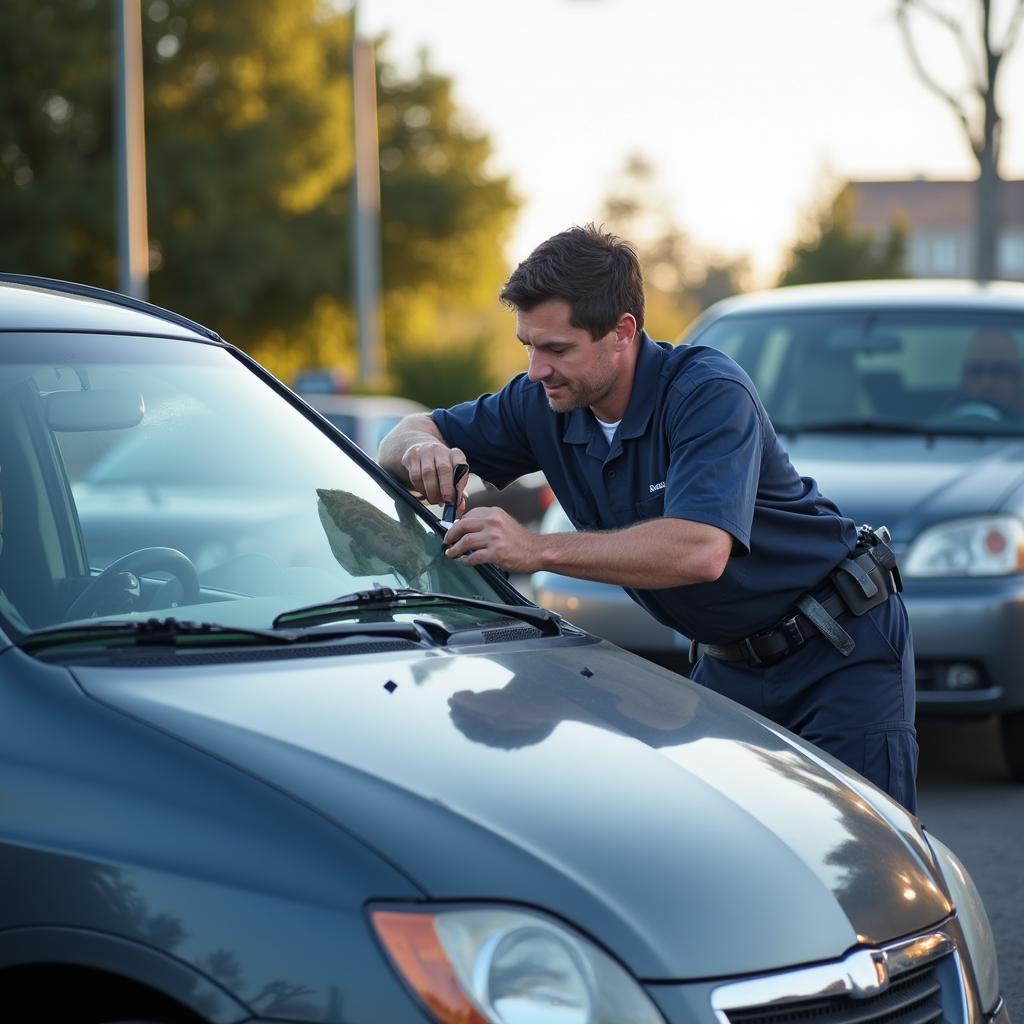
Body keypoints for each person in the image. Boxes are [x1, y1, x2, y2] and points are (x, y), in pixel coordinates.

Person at [379, 224, 918, 812]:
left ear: (623, 333)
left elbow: (699, 551)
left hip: (836, 652)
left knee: (864, 864)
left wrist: (535, 551)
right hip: (727, 665)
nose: (537, 369)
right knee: (734, 857)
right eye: (528, 345)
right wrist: (417, 449)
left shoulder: (707, 392)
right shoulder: (542, 401)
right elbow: (399, 438)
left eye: (558, 348)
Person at [955, 328, 1024, 421]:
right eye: (976, 370)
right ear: (964, 379)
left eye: (999, 370)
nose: (986, 383)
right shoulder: (936, 429)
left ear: (1018, 379)